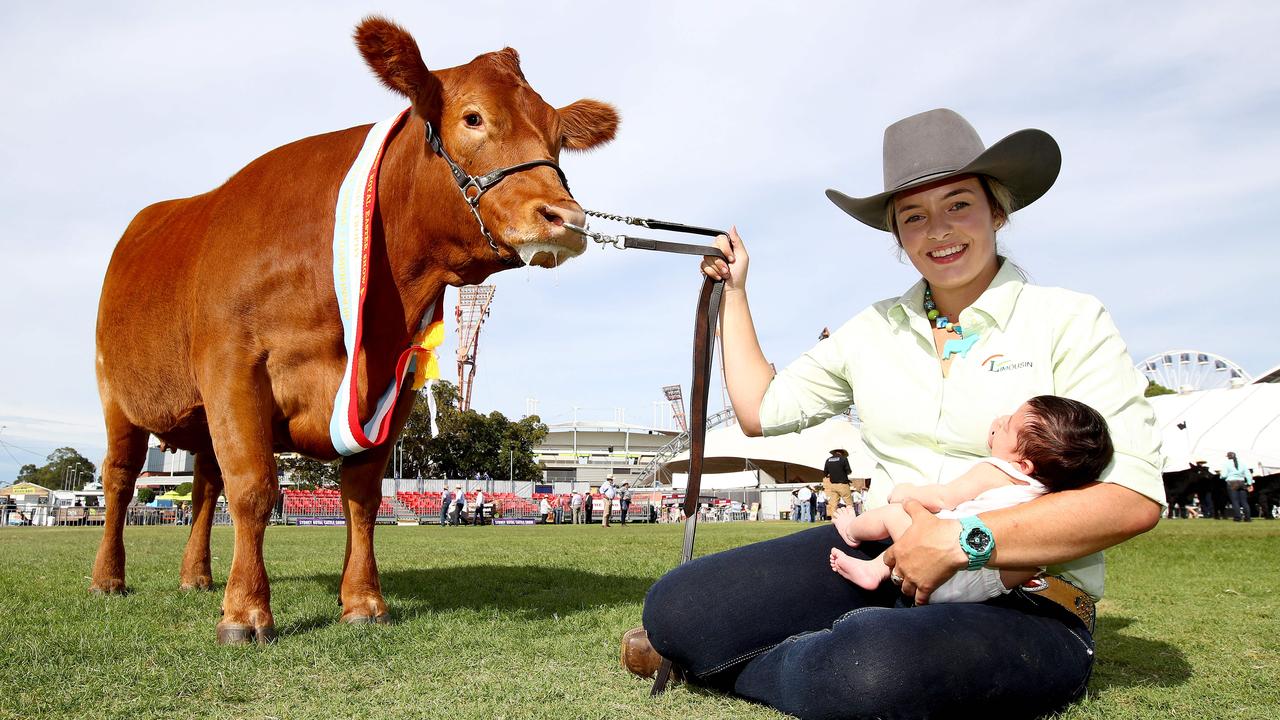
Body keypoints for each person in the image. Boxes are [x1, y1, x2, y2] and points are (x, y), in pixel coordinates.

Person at [629, 109, 1165, 719]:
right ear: (898, 236)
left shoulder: (1070, 320)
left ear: (998, 212)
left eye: (959, 204)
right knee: (679, 607)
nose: (938, 230)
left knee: (871, 669)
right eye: (914, 216)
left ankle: (801, 659)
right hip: (880, 562)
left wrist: (964, 541)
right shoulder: (871, 329)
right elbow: (758, 410)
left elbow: (1130, 499)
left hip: (1025, 595)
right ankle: (811, 652)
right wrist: (736, 293)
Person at [830, 395, 1113, 602]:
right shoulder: (1050, 497)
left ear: (1023, 465)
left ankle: (854, 536)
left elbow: (943, 499)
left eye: (1009, 425)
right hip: (983, 589)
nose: (1000, 420)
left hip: (934, 566)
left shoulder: (995, 470)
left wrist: (906, 493)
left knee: (894, 515)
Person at [1219, 451, 1254, 522]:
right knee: (1244, 501)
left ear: (1228, 457)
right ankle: (1248, 518)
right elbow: (1248, 474)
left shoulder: (1226, 464)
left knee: (1235, 501)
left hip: (1232, 482)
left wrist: (1221, 476)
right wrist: (1249, 484)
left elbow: (1224, 475)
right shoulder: (1242, 463)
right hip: (1242, 482)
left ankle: (1238, 517)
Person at [821, 448, 854, 520]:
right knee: (849, 503)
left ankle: (834, 519)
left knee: (833, 504)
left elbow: (825, 473)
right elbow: (848, 471)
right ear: (841, 453)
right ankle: (851, 518)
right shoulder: (843, 459)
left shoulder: (828, 460)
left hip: (832, 485)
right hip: (843, 484)